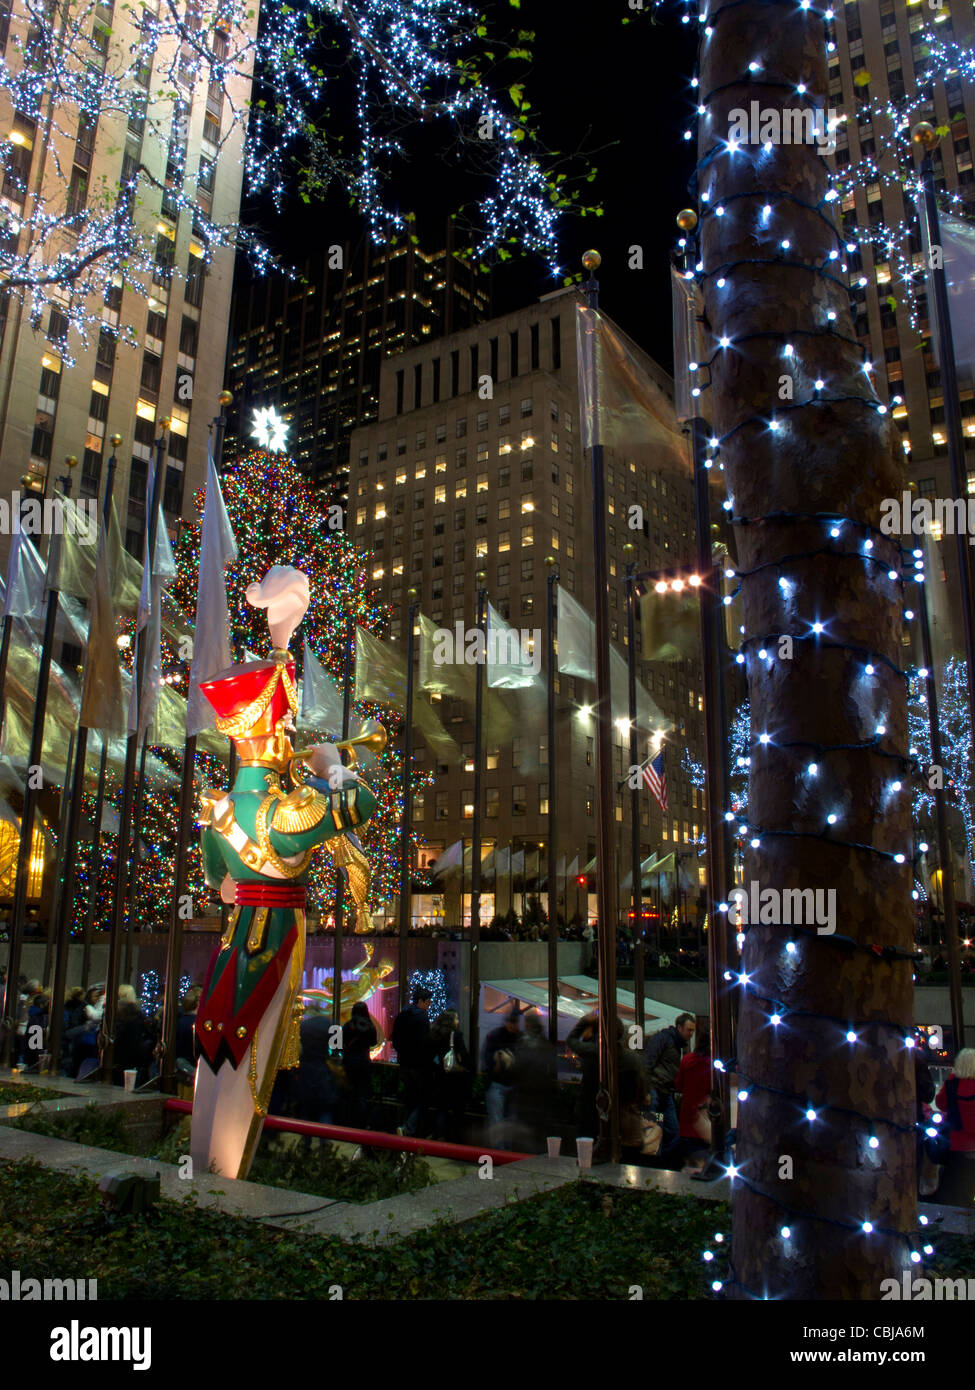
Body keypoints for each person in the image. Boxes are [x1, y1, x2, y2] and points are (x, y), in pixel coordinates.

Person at [643, 1012, 695, 1155]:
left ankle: (661, 1162)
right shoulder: (665, 1039)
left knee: (668, 1131)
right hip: (655, 1090)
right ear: (679, 1028)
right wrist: (647, 1089)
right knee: (654, 1130)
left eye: (692, 1031)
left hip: (663, 1091)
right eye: (689, 1030)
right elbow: (648, 1062)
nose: (691, 1034)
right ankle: (655, 1162)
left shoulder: (674, 1043)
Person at [512, 1009, 557, 1150]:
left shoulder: (524, 1043)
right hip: (542, 1093)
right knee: (538, 1129)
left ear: (527, 1024)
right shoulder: (545, 1043)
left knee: (526, 1129)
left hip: (526, 1092)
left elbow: (518, 1065)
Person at [391, 986, 434, 1136]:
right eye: (428, 1002)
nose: (429, 1005)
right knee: (422, 1099)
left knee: (409, 1098)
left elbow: (395, 1039)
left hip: (404, 1064)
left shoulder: (402, 1015)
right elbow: (425, 1043)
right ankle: (409, 1128)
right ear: (420, 1001)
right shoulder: (422, 1018)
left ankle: (406, 1127)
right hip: (418, 1066)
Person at [295, 1009, 345, 1138]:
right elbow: (338, 1048)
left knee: (306, 1110)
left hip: (306, 1070)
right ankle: (325, 1145)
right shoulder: (332, 1024)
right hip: (323, 1070)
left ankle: (305, 1143)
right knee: (325, 1109)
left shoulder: (303, 1026)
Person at [674, 1024, 713, 1171]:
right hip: (706, 1118)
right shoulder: (714, 1064)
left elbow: (678, 1085)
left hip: (688, 1117)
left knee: (689, 1163)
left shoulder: (687, 1059)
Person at [429, 1009, 472, 1142]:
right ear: (451, 1021)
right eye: (456, 1018)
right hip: (454, 1078)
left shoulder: (435, 1034)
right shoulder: (455, 1035)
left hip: (440, 1076)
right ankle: (454, 1139)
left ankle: (439, 1135)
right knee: (457, 1109)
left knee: (441, 1108)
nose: (458, 1021)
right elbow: (464, 1055)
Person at [482, 1007, 522, 1149]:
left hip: (504, 1084)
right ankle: (502, 1153)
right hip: (500, 1084)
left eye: (515, 1022)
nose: (512, 1025)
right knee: (501, 1121)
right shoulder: (498, 1036)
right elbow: (487, 1058)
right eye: (511, 1022)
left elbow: (487, 1057)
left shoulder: (498, 1036)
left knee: (503, 1121)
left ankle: (503, 1153)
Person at [342, 1001, 378, 1127]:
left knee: (349, 1093)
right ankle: (360, 1123)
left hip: (349, 1062)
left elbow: (339, 1043)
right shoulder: (370, 1026)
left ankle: (348, 1121)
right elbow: (374, 1042)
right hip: (363, 1062)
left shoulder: (348, 1025)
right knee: (361, 1094)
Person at [566, 1011, 600, 1141]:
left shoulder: (592, 1047)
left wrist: (584, 1021)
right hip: (597, 1100)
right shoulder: (599, 1046)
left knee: (585, 1136)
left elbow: (571, 1040)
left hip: (588, 1100)